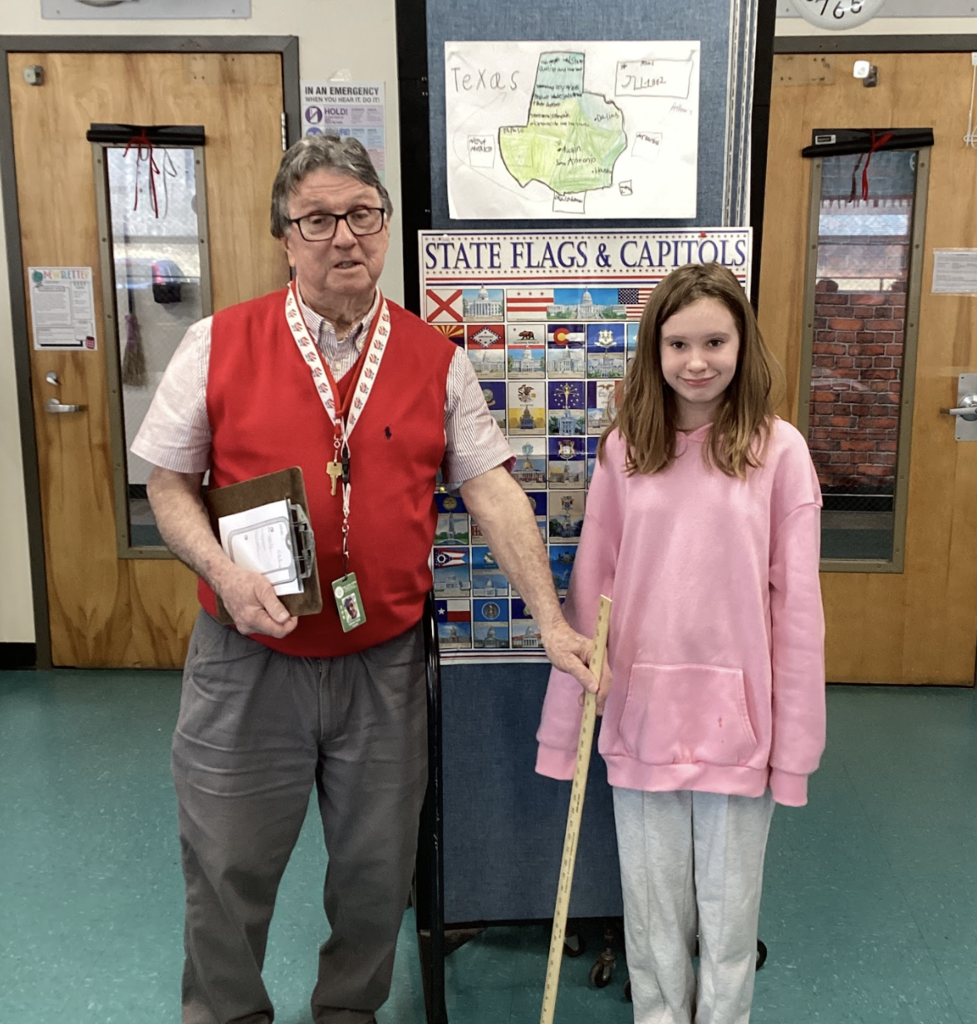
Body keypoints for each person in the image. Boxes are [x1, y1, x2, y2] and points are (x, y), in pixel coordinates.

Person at [132, 135, 595, 1024]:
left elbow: (491, 489)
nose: (344, 237)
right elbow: (167, 482)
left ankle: (348, 1010)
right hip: (246, 658)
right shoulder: (217, 342)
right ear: (285, 236)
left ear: (383, 227)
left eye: (362, 216)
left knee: (377, 867)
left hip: (382, 661)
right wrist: (225, 574)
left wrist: (548, 616)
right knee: (226, 863)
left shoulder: (433, 356)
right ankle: (227, 1015)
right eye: (318, 220)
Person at [535, 263, 826, 1024]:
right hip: (641, 722)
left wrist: (792, 752)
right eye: (677, 344)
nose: (696, 361)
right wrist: (565, 729)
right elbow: (587, 600)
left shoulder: (780, 452)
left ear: (742, 344)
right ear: (652, 351)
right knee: (652, 926)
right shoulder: (624, 451)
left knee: (728, 931)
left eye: (714, 341)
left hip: (740, 735)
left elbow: (798, 614)